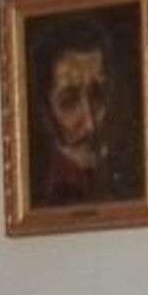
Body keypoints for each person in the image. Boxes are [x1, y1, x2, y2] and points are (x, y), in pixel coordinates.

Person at [29, 14, 138, 209]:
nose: (90, 123)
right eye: (68, 102)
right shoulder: (41, 197)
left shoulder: (129, 183)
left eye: (98, 95)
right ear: (46, 111)